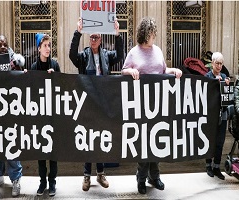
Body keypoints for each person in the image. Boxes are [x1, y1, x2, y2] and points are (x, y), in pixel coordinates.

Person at [121, 17, 182, 194]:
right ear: (145, 33)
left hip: (158, 104)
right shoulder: (134, 52)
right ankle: (141, 178)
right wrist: (130, 71)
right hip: (141, 105)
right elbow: (124, 70)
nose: (154, 35)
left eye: (153, 32)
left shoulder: (158, 51)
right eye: (152, 32)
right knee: (143, 143)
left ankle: (154, 177)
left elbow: (162, 71)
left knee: (157, 141)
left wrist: (174, 70)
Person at [69, 18, 124, 191]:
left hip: (103, 103)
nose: (93, 40)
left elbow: (120, 55)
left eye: (96, 37)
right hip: (87, 103)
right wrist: (77, 33)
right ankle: (86, 175)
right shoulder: (83, 56)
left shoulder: (107, 55)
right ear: (88, 38)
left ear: (101, 39)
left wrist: (117, 35)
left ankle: (100, 174)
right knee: (88, 138)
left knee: (100, 138)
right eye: (91, 37)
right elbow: (71, 55)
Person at [0, 35, 24, 197]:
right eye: (0, 44)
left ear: (8, 47)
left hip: (11, 110)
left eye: (5, 45)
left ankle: (15, 178)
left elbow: (21, 78)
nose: (2, 47)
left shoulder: (14, 62)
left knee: (11, 144)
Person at [31, 33, 60, 197]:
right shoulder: (34, 67)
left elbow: (62, 88)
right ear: (39, 48)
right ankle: (42, 182)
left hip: (53, 116)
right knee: (41, 152)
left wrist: (54, 78)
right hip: (39, 116)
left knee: (53, 152)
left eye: (49, 45)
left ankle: (53, 182)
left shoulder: (55, 65)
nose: (48, 49)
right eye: (45, 46)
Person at [204, 52, 230, 180]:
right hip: (211, 114)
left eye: (221, 63)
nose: (219, 66)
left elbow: (228, 96)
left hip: (222, 113)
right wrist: (214, 82)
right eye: (217, 63)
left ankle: (216, 167)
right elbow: (204, 94)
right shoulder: (207, 76)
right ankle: (208, 166)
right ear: (212, 64)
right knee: (209, 140)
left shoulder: (225, 76)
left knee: (220, 141)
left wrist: (226, 85)